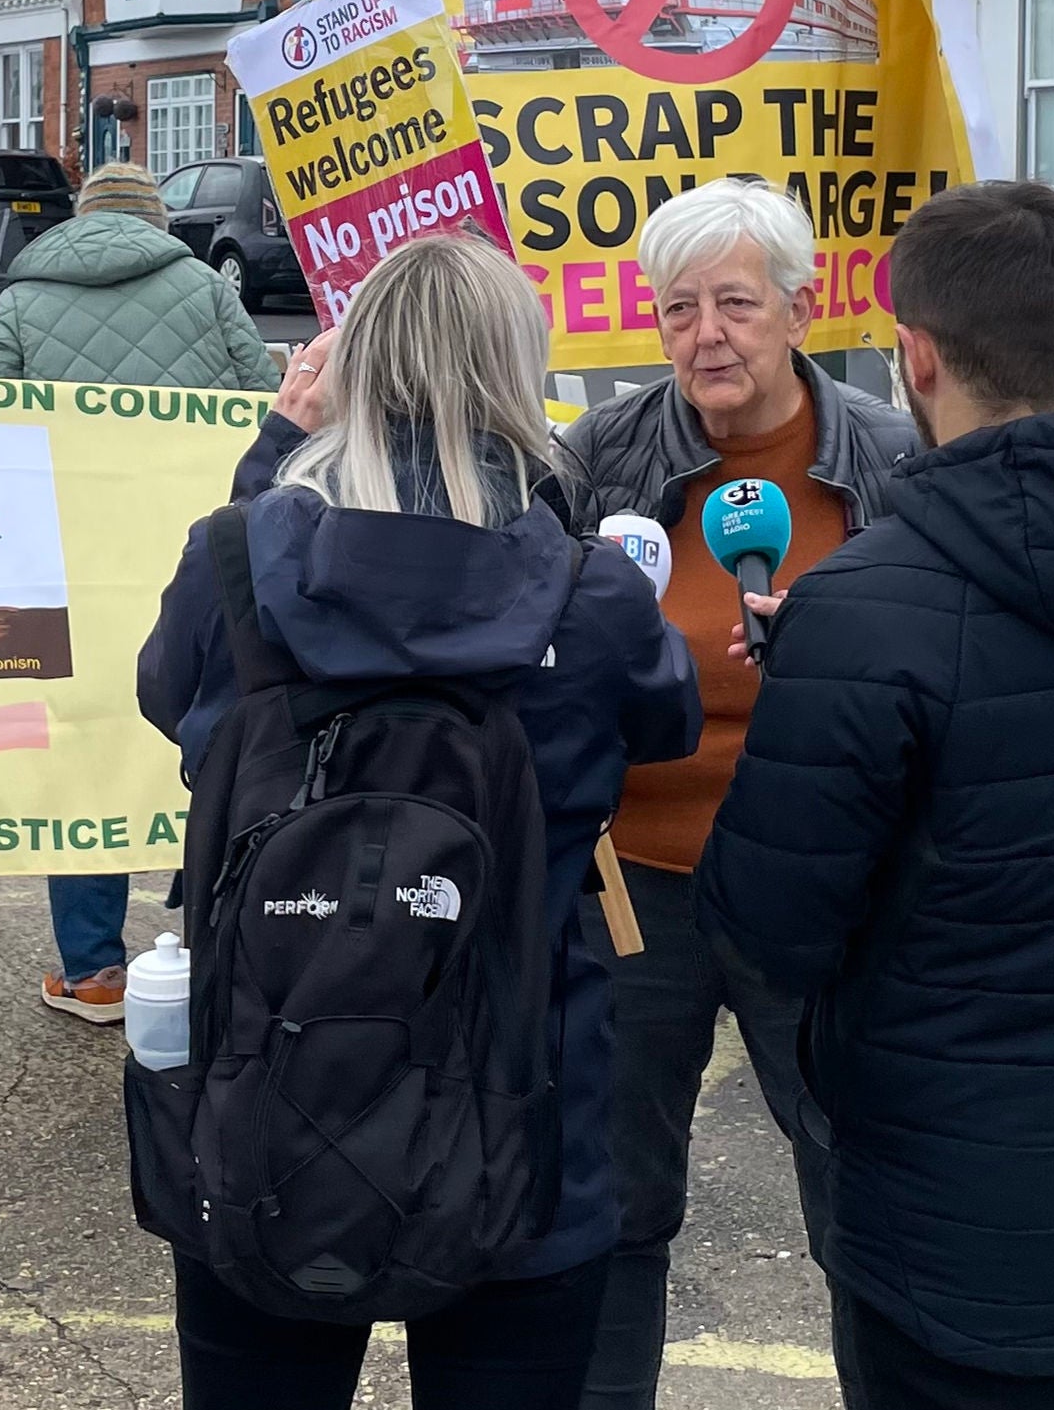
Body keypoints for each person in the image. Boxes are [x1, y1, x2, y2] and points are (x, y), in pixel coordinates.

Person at [698, 183, 1054, 1409]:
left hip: (945, 1228)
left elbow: (765, 922)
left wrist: (823, 693)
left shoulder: (865, 604)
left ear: (916, 358)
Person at [133, 232, 701, 1409]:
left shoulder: (239, 556)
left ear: (353, 367)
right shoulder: (586, 592)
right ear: (515, 375)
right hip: (516, 1097)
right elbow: (668, 719)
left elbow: (163, 690)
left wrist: (275, 449)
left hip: (266, 1090)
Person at [559, 178, 916, 1408]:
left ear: (798, 309)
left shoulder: (886, 453)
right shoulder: (602, 452)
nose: (704, 335)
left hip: (813, 881)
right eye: (676, 311)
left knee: (856, 1180)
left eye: (732, 304)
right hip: (632, 886)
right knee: (609, 1199)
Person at [0, 157, 276, 1024]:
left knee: (89, 745)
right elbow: (266, 408)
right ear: (160, 224)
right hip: (198, 564)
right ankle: (216, 950)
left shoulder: (23, 297)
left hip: (71, 567)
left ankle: (95, 970)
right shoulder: (208, 292)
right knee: (209, 737)